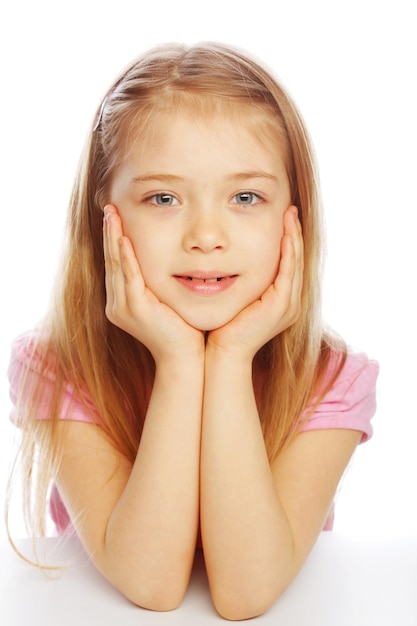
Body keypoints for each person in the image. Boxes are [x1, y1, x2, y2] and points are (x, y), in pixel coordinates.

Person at [7, 42, 378, 621]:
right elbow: (150, 584)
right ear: (104, 216)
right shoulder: (59, 365)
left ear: (295, 219)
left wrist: (228, 358)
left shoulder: (330, 379)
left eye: (245, 197)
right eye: (163, 197)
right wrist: (180, 360)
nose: (206, 235)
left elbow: (245, 594)